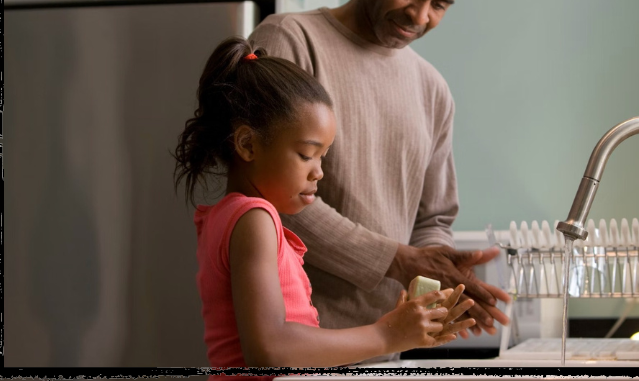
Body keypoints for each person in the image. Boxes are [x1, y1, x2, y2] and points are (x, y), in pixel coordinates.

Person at [248, 0, 511, 361]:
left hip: (386, 352)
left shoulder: (433, 90)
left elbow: (433, 220)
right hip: (294, 346)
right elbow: (265, 193)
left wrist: (438, 276)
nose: (421, 15)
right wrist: (397, 259)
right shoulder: (290, 41)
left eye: (441, 4)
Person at [173, 36, 476, 374]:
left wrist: (400, 332)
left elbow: (292, 351)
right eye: (306, 154)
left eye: (323, 156)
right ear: (247, 144)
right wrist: (386, 335)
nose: (319, 172)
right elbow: (270, 349)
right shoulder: (254, 219)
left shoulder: (229, 217)